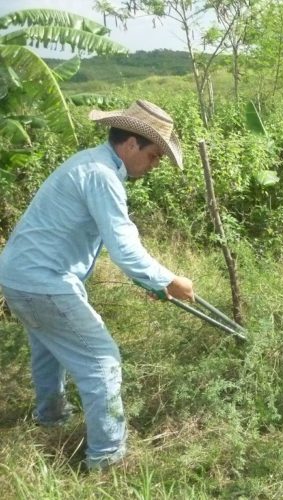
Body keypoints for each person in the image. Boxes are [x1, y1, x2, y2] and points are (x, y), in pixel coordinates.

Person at [0, 100, 194, 470]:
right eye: (154, 156)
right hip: (44, 281)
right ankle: (107, 461)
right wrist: (170, 280)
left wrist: (152, 283)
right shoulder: (102, 175)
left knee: (47, 348)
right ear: (132, 143)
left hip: (16, 276)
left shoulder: (90, 162)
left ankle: (50, 421)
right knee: (102, 362)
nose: (153, 167)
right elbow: (124, 247)